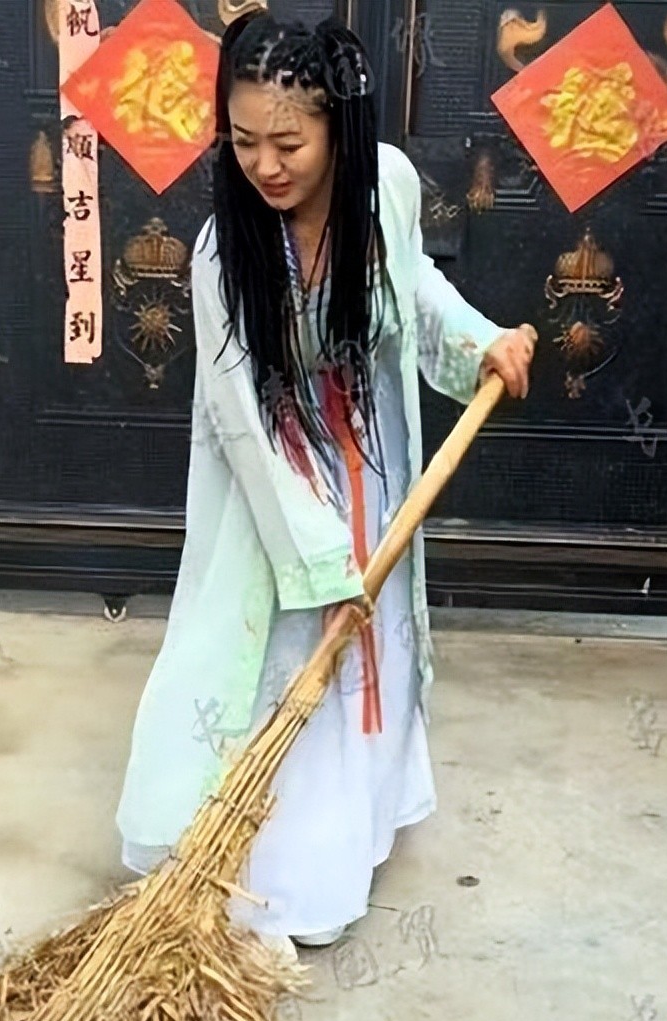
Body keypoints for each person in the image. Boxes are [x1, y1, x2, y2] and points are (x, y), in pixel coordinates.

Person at [115, 14, 533, 952]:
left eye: (290, 142)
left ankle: (352, 828)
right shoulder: (225, 254)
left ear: (338, 128)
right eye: (244, 141)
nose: (267, 165)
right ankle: (272, 870)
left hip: (371, 466)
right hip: (276, 486)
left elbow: (415, 286)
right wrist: (319, 562)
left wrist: (482, 343)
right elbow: (241, 423)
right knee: (278, 654)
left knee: (368, 658)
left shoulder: (384, 185)